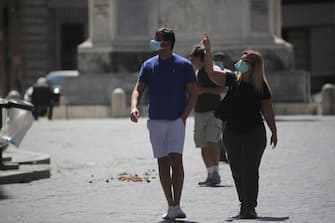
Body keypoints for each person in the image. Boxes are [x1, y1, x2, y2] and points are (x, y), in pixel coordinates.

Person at [202, 33, 278, 219]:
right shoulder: (232, 79)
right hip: (232, 133)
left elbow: (268, 112)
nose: (240, 63)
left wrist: (274, 132)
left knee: (250, 170)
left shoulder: (261, 86)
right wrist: (208, 51)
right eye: (241, 60)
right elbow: (211, 72)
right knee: (236, 170)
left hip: (254, 133)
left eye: (244, 61)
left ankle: (250, 207)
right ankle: (243, 204)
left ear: (254, 67)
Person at [130, 27, 198, 220]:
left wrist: (184, 117)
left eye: (157, 39)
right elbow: (137, 89)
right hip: (155, 121)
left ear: (167, 44)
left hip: (176, 120)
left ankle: (178, 202)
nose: (153, 41)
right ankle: (170, 205)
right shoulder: (148, 65)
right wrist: (133, 107)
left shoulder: (184, 65)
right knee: (162, 162)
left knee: (176, 160)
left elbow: (194, 93)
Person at [189, 44, 225, 186]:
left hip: (213, 112)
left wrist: (204, 90)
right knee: (202, 144)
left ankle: (215, 173)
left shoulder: (212, 71)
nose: (190, 60)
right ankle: (210, 174)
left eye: (192, 57)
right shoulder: (196, 73)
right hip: (199, 112)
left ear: (200, 58)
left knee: (212, 142)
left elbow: (223, 88)